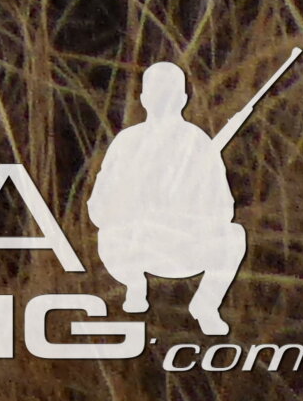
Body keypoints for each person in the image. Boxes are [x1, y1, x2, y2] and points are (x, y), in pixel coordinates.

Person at [89, 62, 249, 335]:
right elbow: (100, 208)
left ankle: (204, 305)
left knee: (233, 236)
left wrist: (185, 212)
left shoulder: (197, 144)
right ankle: (136, 286)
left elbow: (223, 209)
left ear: (144, 99)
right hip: (134, 248)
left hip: (178, 248)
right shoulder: (130, 143)